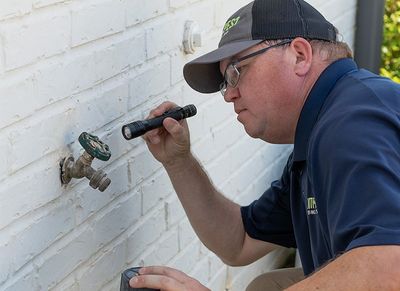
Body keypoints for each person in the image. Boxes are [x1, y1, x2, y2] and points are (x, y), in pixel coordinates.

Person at [130, 0, 400, 290]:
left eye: (236, 71)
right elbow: (239, 241)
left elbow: (389, 268)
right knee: (267, 285)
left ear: (299, 55)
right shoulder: (314, 140)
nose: (228, 95)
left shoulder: (351, 121)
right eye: (225, 82)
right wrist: (178, 162)